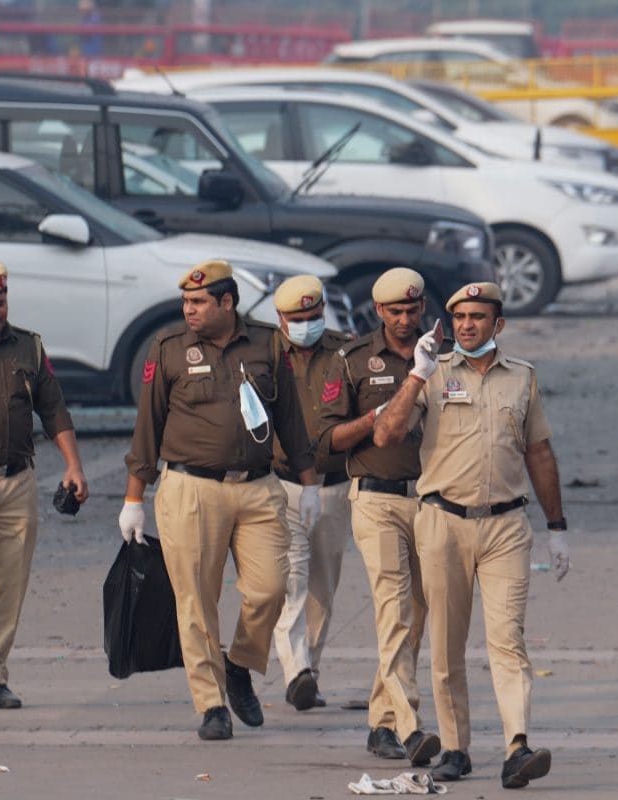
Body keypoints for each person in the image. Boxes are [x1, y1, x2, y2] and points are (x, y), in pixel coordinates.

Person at [374, 281, 570, 789]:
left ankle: (517, 746)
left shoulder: (522, 378)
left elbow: (539, 453)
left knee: (508, 640)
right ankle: (455, 748)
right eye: (459, 317)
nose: (466, 325)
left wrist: (557, 527)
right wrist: (416, 375)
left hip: (506, 525)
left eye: (478, 317)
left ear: (497, 324)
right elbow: (387, 434)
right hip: (442, 523)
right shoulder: (433, 372)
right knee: (446, 644)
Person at [119, 259, 321, 741]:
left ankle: (240, 664)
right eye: (185, 302)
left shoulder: (268, 343)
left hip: (258, 487)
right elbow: (148, 424)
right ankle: (211, 704)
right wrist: (134, 498)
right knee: (196, 599)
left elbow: (290, 419)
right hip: (191, 488)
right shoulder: (168, 347)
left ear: (227, 302)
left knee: (271, 588)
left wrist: (310, 483)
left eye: (198, 302)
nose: (188, 310)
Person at [318, 267, 440, 767]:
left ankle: (381, 723)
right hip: (376, 499)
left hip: (432, 501)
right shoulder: (352, 360)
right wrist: (376, 417)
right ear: (379, 311)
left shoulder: (444, 354)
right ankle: (409, 727)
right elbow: (328, 439)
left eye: (412, 309)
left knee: (416, 615)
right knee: (394, 610)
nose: (405, 319)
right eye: (396, 311)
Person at [0, 260, 89, 711]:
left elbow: (53, 409)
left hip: (17, 480)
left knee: (9, 581)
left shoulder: (29, 347)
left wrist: (74, 466)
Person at [269, 275, 353, 712]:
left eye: (314, 316)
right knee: (292, 581)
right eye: (297, 319)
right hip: (282, 483)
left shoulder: (346, 352)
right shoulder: (265, 353)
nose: (307, 325)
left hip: (334, 484)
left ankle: (310, 672)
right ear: (281, 318)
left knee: (323, 585)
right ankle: (295, 669)